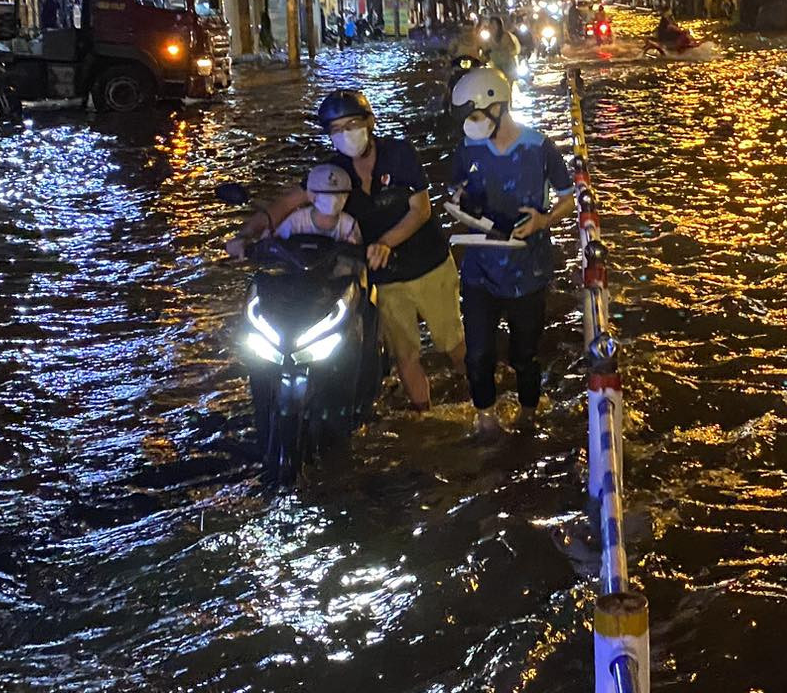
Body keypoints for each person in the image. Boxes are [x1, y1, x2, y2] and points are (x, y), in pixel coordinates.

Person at [236, 90, 464, 412]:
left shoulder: (398, 154)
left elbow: (421, 209)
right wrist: (247, 234)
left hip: (428, 264)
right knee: (405, 355)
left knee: (452, 344)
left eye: (352, 124)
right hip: (380, 275)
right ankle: (424, 418)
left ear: (369, 123)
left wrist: (386, 242)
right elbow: (288, 204)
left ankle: (479, 398)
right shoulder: (332, 173)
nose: (346, 134)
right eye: (336, 129)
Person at [449, 66, 575, 432]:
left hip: (528, 272)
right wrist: (462, 202)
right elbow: (454, 194)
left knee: (525, 355)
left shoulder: (539, 147)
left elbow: (569, 198)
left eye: (475, 116)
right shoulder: (467, 148)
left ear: (498, 106)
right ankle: (485, 417)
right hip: (479, 272)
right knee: (478, 354)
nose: (471, 125)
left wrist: (543, 220)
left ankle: (528, 415)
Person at [273, 164, 362, 243]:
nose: (333, 199)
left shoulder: (349, 224)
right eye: (326, 194)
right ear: (311, 195)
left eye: (338, 194)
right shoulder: (296, 221)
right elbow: (276, 244)